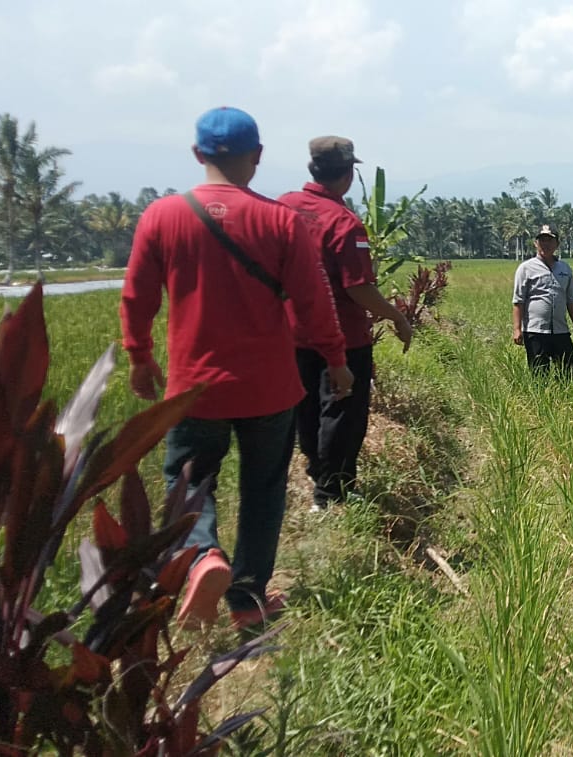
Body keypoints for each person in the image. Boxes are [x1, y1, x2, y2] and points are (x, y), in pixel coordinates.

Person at [121, 106, 353, 630]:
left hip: (192, 388)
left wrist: (139, 355)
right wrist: (336, 361)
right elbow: (315, 303)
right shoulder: (281, 221)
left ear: (199, 154)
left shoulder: (163, 216)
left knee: (189, 480)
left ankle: (204, 555)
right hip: (268, 389)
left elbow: (137, 295)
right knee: (264, 487)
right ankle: (248, 600)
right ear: (259, 156)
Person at [278, 136, 414, 512]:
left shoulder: (284, 207)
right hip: (343, 339)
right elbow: (359, 289)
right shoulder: (344, 223)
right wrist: (397, 315)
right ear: (349, 174)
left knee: (306, 412)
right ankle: (331, 495)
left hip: (291, 334)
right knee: (342, 416)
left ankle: (316, 478)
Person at [512, 225, 573, 376]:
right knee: (539, 373)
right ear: (536, 243)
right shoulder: (526, 268)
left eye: (550, 240)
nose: (546, 244)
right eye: (542, 240)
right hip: (535, 331)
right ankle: (541, 399)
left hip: (560, 330)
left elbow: (571, 300)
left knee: (568, 370)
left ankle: (565, 398)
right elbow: (518, 301)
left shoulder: (564, 269)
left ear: (557, 244)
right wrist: (517, 329)